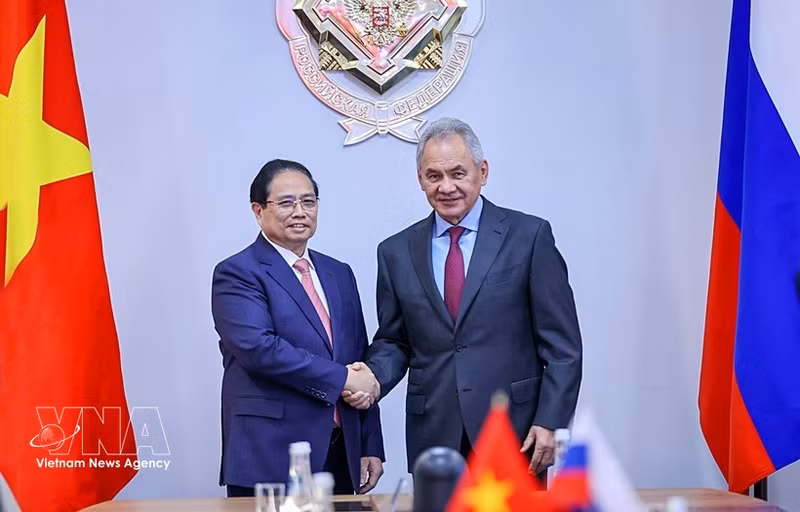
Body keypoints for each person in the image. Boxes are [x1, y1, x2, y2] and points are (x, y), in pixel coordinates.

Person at [347, 118, 582, 476]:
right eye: (434, 176)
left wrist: (551, 421)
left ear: (482, 172)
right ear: (420, 179)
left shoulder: (529, 236)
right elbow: (395, 340)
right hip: (435, 434)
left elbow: (563, 347)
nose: (447, 186)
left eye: (458, 173)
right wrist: (372, 378)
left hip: (516, 433)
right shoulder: (395, 251)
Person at [212, 159, 384, 497]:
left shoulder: (339, 273)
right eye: (286, 202)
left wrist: (370, 443)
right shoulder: (237, 273)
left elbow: (358, 359)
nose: (300, 212)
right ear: (258, 210)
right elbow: (261, 350)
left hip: (340, 451)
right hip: (272, 453)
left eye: (308, 201)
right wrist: (343, 379)